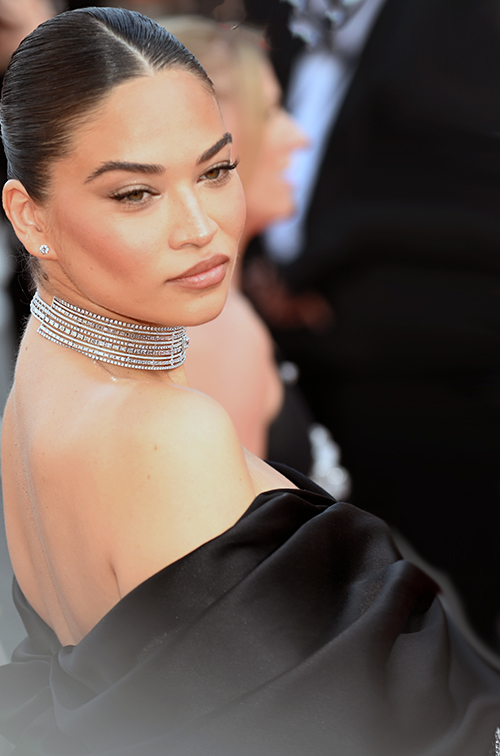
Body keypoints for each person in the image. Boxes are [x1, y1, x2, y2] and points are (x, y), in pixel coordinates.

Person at [0, 8, 500, 756]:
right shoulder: (166, 428)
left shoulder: (39, 392)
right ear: (29, 216)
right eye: (135, 193)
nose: (200, 226)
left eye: (215, 170)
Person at [243, 0, 500, 650]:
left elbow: (464, 206)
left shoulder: (464, 28)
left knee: (442, 624)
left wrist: (317, 272)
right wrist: (261, 270)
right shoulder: (294, 32)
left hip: (424, 391)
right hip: (303, 370)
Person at [159, 16, 347, 493]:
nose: (298, 138)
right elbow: (234, 536)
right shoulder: (215, 330)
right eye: (270, 112)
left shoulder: (203, 318)